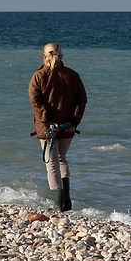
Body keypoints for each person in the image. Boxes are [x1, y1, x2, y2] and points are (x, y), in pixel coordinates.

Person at [29, 42, 88, 212]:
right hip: (67, 127)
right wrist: (73, 122)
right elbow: (81, 101)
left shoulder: (38, 76)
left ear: (43, 56)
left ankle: (57, 207)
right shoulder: (73, 76)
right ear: (61, 56)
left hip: (47, 128)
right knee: (62, 160)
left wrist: (48, 122)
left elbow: (36, 102)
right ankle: (67, 202)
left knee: (52, 164)